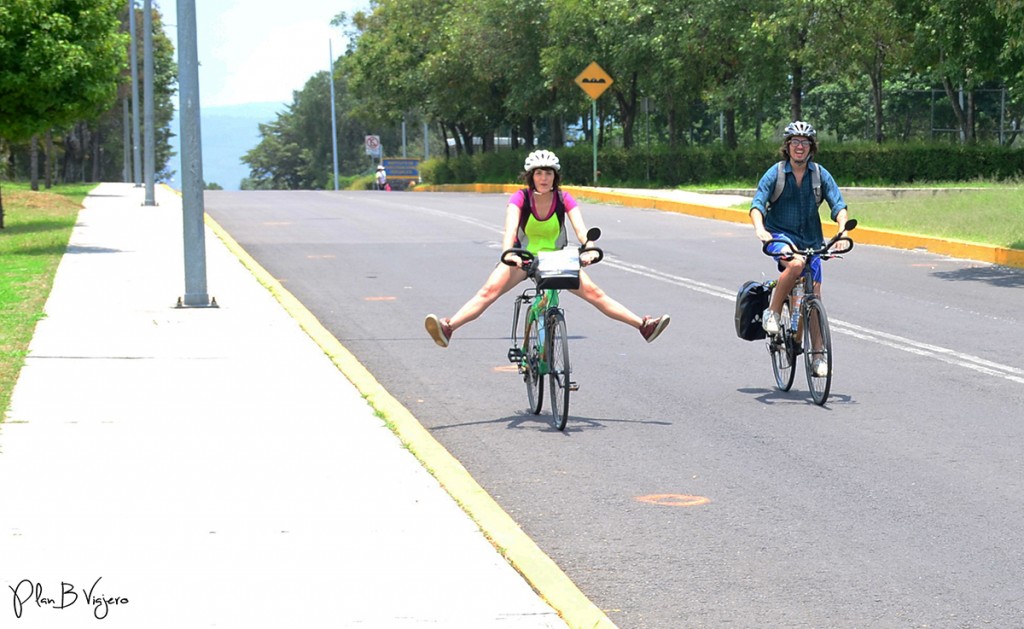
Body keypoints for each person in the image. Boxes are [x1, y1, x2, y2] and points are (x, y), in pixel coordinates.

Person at [424, 149, 670, 348]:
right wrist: (511, 254)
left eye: (548, 173)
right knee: (488, 291)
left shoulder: (564, 199)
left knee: (596, 293)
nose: (544, 178)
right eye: (539, 173)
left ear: (555, 176)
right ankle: (448, 327)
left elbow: (582, 231)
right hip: (523, 258)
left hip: (557, 260)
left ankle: (643, 326)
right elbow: (510, 232)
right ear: (530, 176)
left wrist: (590, 248)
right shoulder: (520, 198)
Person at [749, 120, 849, 377]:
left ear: (811, 147)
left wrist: (842, 231)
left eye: (804, 143)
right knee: (795, 264)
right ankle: (771, 313)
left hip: (811, 241)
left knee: (813, 295)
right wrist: (760, 229)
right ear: (788, 146)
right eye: (795, 142)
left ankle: (816, 356)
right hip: (781, 236)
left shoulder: (819, 174)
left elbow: (838, 205)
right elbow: (758, 203)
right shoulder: (777, 173)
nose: (799, 147)